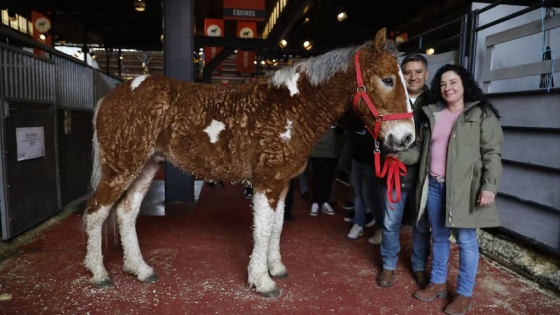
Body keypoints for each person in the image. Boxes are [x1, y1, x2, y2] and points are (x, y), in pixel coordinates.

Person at [397, 64, 503, 315]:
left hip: (465, 189)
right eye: (443, 84)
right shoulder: (433, 113)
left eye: (453, 82)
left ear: (464, 84)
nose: (448, 88)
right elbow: (420, 148)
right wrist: (398, 156)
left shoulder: (481, 114)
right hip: (433, 186)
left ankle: (464, 295)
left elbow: (492, 154)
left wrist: (489, 187)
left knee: (466, 241)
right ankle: (438, 283)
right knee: (439, 236)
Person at [377, 54, 431, 288]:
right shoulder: (390, 99)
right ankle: (389, 265)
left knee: (421, 226)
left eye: (418, 71)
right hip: (394, 174)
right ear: (401, 74)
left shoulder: (434, 101)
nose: (413, 76)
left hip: (423, 176)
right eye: (408, 72)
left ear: (426, 74)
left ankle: (419, 266)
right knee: (390, 224)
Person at [308, 125, 342, 216]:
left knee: (328, 177)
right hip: (317, 150)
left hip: (332, 150)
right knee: (316, 177)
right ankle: (316, 202)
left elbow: (341, 130)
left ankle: (325, 202)